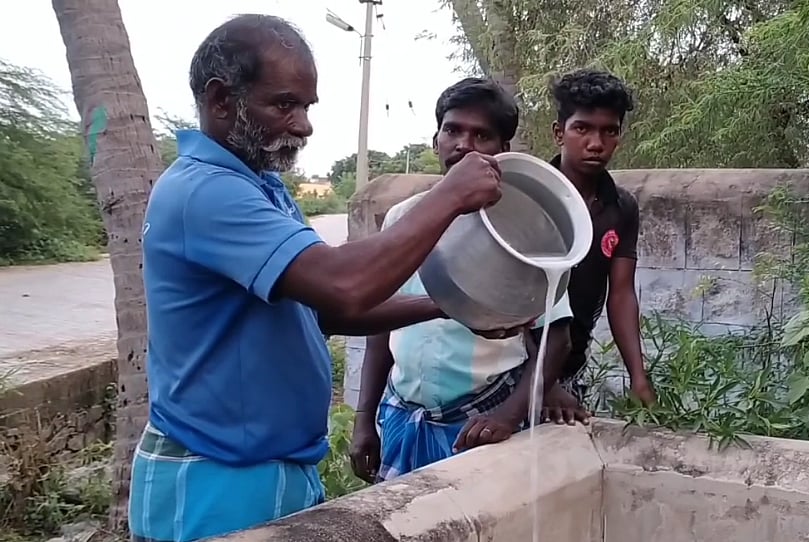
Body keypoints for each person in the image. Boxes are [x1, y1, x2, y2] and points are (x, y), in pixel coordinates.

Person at [131, 16, 512, 542]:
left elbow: (329, 312)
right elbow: (343, 285)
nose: (303, 125)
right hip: (213, 475)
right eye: (284, 104)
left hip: (272, 467)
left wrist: (449, 307)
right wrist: (450, 195)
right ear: (221, 100)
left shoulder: (259, 185)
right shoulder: (205, 191)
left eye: (306, 107)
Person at [348, 78, 574, 484]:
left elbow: (555, 338)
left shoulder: (521, 229)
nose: (464, 144)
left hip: (479, 421)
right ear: (436, 140)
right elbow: (378, 324)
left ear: (501, 151)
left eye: (481, 135)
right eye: (453, 130)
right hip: (403, 416)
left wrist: (508, 415)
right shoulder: (404, 219)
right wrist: (365, 418)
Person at [540, 68, 657, 423]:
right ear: (560, 133)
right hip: (513, 370)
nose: (596, 143)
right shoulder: (531, 197)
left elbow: (620, 294)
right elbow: (508, 297)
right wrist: (541, 383)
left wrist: (638, 376)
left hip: (571, 370)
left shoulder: (620, 208)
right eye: (583, 128)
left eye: (609, 131)